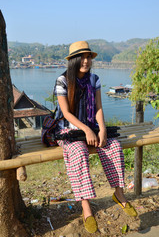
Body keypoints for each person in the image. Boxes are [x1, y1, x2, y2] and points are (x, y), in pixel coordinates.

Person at [53, 41, 137, 233]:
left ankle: (119, 194)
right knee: (79, 152)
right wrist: (87, 131)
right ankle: (86, 207)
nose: (85, 61)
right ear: (73, 60)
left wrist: (102, 130)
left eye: (88, 57)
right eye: (81, 57)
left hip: (91, 126)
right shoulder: (63, 81)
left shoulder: (94, 79)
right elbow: (66, 113)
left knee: (114, 146)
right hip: (69, 130)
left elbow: (98, 107)